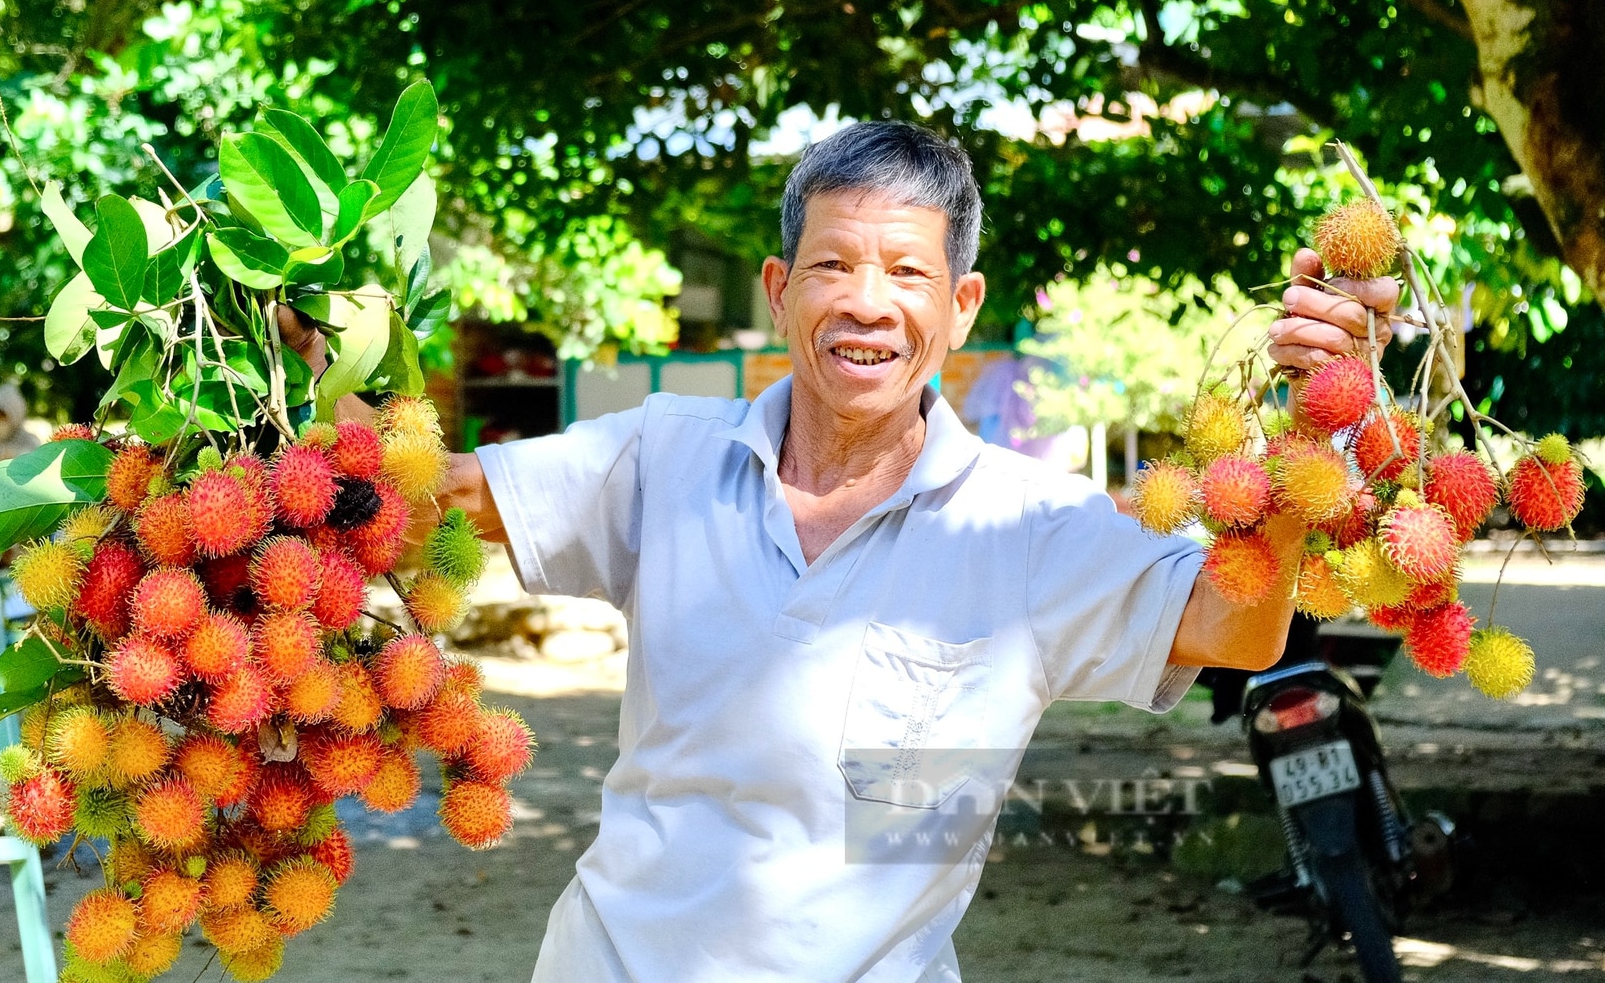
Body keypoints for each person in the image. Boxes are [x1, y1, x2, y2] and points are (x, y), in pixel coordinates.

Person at [283, 121, 1397, 982]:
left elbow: (1241, 626)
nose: (867, 305)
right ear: (779, 292)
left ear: (959, 308)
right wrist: (293, 399)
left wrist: (1312, 426)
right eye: (832, 267)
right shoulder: (662, 454)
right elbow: (434, 496)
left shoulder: (1032, 525)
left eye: (906, 274)